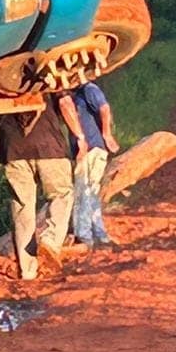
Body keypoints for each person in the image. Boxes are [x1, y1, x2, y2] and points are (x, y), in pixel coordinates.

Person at [0, 93, 87, 280]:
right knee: (61, 194)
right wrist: (79, 136)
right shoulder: (47, 73)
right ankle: (50, 240)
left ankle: (27, 271)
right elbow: (65, 101)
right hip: (49, 147)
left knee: (22, 207)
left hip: (13, 149)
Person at [69, 78, 121, 252]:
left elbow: (104, 108)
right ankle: (97, 234)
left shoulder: (88, 89)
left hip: (91, 147)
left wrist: (106, 134)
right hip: (91, 147)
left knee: (83, 191)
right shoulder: (78, 92)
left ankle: (84, 235)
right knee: (90, 192)